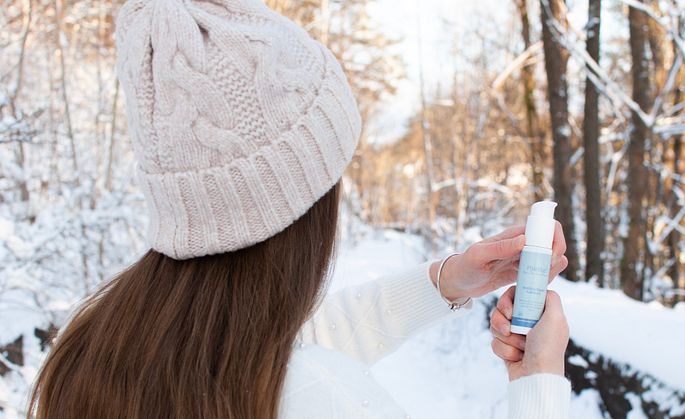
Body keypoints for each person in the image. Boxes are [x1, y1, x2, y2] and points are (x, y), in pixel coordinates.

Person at [28, 0, 572, 417]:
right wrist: (539, 382)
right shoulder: (328, 399)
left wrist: (447, 282)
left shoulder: (95, 350)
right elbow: (305, 371)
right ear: (298, 212)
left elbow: (289, 348)